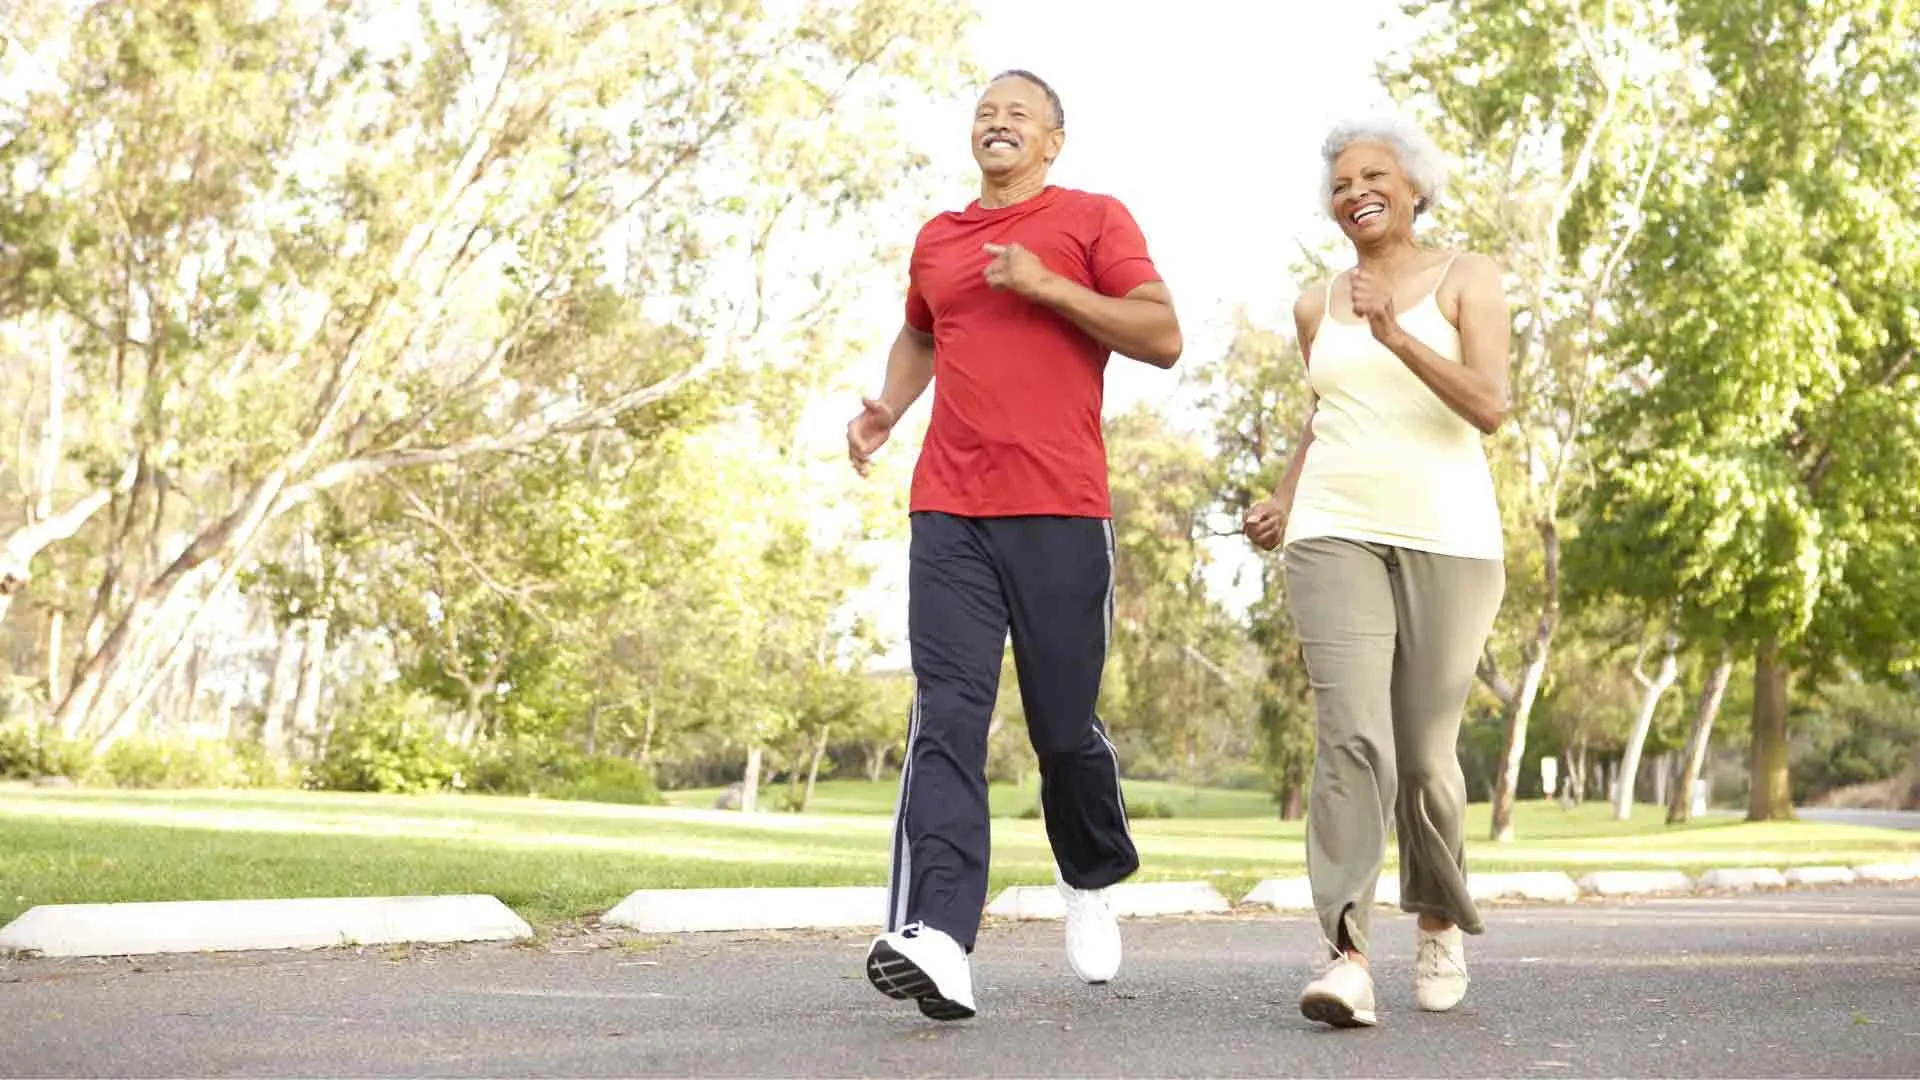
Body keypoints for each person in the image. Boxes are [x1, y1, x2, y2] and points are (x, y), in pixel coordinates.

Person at [846, 69, 1183, 1021]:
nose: (997, 124)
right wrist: (886, 409)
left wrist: (1049, 287)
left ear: (1053, 141)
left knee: (1062, 726)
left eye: (1018, 115)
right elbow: (920, 334)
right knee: (946, 713)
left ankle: (1089, 872)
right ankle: (939, 936)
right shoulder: (938, 239)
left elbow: (1163, 336)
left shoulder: (1091, 220)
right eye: (985, 113)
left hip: (1062, 509)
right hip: (949, 506)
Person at [1242, 113, 1510, 1028]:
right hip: (1335, 530)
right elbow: (1325, 414)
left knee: (1426, 755)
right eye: (1342, 181)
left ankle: (1438, 918)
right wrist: (1284, 498)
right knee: (1353, 736)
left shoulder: (1468, 277)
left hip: (1451, 538)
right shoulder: (1316, 303)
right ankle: (1347, 953)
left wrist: (1398, 334)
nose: (1356, 190)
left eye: (1374, 175)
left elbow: (1489, 406)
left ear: (1414, 187)